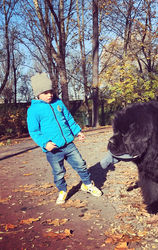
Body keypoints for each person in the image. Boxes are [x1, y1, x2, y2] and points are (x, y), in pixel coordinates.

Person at [27, 72, 102, 205]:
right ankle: (62, 190)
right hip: (53, 149)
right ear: (37, 94)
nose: (49, 94)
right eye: (45, 92)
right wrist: (45, 143)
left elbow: (68, 119)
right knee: (59, 172)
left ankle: (87, 185)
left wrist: (77, 132)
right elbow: (34, 131)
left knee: (81, 165)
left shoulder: (58, 103)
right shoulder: (34, 110)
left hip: (68, 144)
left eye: (51, 91)